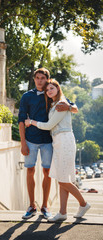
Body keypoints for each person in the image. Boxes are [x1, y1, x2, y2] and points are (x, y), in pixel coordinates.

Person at [25, 78, 91, 222]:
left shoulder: (61, 103)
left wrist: (32, 122)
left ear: (58, 89)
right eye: (47, 89)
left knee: (62, 181)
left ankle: (83, 203)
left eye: (51, 89)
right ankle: (62, 212)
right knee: (63, 178)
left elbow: (49, 125)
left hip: (64, 140)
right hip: (58, 142)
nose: (49, 91)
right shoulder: (55, 104)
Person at [18, 68, 78, 219]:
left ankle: (45, 206)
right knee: (30, 171)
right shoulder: (27, 96)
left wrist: (70, 107)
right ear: (34, 79)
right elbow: (21, 120)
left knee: (47, 173)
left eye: (42, 78)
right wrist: (23, 143)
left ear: (47, 80)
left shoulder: (52, 95)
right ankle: (32, 206)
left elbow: (74, 108)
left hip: (48, 142)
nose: (39, 80)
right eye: (37, 78)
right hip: (31, 140)